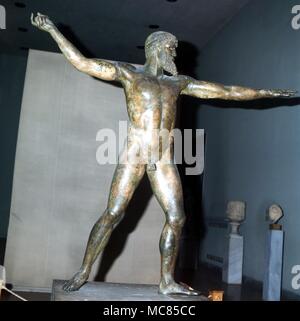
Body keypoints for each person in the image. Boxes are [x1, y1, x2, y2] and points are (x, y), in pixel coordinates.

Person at [31, 12, 295, 295]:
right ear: (156, 47)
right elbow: (83, 63)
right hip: (135, 154)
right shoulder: (129, 74)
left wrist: (267, 92)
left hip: (163, 158)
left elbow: (226, 91)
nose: (174, 53)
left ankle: (166, 281)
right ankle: (83, 271)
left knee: (177, 217)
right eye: (171, 48)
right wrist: (52, 31)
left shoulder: (177, 83)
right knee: (113, 213)